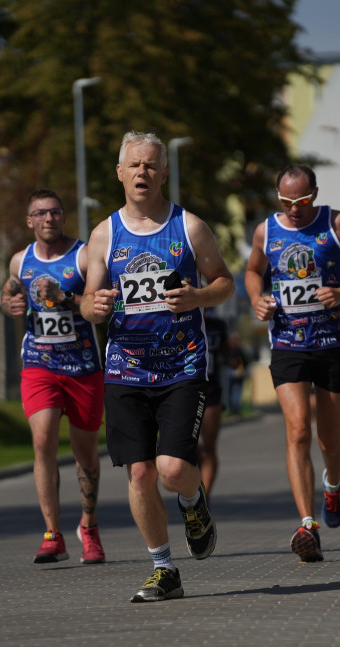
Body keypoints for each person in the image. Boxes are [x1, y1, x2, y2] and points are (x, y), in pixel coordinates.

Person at [81, 131, 235, 602]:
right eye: (135, 165)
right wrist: (97, 305)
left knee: (171, 469)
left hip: (181, 367)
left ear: (164, 173)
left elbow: (225, 282)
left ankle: (193, 501)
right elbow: (87, 301)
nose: (143, 173)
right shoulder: (105, 234)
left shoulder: (189, 227)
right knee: (140, 474)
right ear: (120, 173)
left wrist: (198, 296)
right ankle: (163, 568)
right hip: (125, 367)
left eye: (151, 166)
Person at [244, 165, 340, 563]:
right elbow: (253, 271)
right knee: (297, 432)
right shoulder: (265, 231)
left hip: (333, 342)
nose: (294, 210)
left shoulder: (336, 223)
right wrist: (256, 298)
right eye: (286, 202)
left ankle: (334, 481)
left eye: (302, 201)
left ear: (315, 194)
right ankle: (307, 524)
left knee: (330, 440)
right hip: (288, 343)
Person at [0, 189, 106, 565]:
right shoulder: (20, 261)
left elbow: (99, 309)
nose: (48, 219)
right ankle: (52, 534)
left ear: (64, 217)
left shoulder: (81, 257)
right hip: (39, 365)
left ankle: (88, 528)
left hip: (83, 368)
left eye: (55, 212)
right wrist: (8, 301)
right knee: (43, 441)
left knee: (85, 453)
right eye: (40, 213)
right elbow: (11, 291)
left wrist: (65, 297)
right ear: (29, 221)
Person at [198, 311, 230, 495]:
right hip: (183, 389)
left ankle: (205, 497)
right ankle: (193, 486)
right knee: (188, 448)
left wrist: (232, 357)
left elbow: (226, 351)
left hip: (211, 389)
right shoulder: (174, 316)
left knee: (210, 447)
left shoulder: (218, 325)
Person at [225, 331, 250, 416]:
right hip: (239, 372)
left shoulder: (229, 349)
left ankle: (231, 411)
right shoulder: (239, 349)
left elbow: (225, 360)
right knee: (237, 392)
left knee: (231, 392)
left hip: (230, 372)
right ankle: (236, 411)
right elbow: (245, 360)